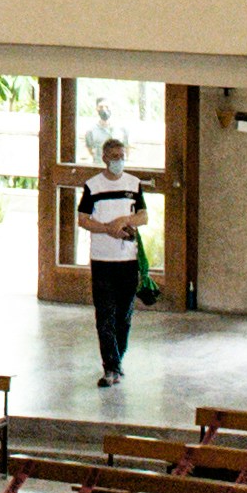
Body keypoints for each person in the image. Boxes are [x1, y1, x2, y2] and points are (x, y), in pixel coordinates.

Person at [74, 134, 154, 388]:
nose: (119, 161)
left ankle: (118, 358)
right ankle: (110, 366)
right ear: (104, 158)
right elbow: (83, 219)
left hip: (127, 261)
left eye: (122, 157)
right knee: (105, 314)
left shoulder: (133, 183)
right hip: (103, 260)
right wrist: (105, 228)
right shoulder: (93, 186)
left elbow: (143, 216)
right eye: (114, 157)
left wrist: (124, 222)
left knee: (124, 315)